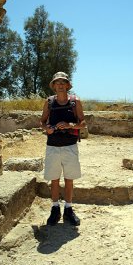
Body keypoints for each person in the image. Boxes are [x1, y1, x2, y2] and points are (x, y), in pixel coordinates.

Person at [40, 71, 86, 226]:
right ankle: (54, 209)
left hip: (70, 146)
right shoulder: (49, 102)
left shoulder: (75, 102)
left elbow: (83, 123)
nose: (60, 85)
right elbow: (42, 122)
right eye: (57, 82)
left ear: (67, 85)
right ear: (54, 86)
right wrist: (48, 129)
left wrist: (70, 125)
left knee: (69, 179)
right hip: (52, 146)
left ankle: (68, 209)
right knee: (54, 179)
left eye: (62, 82)